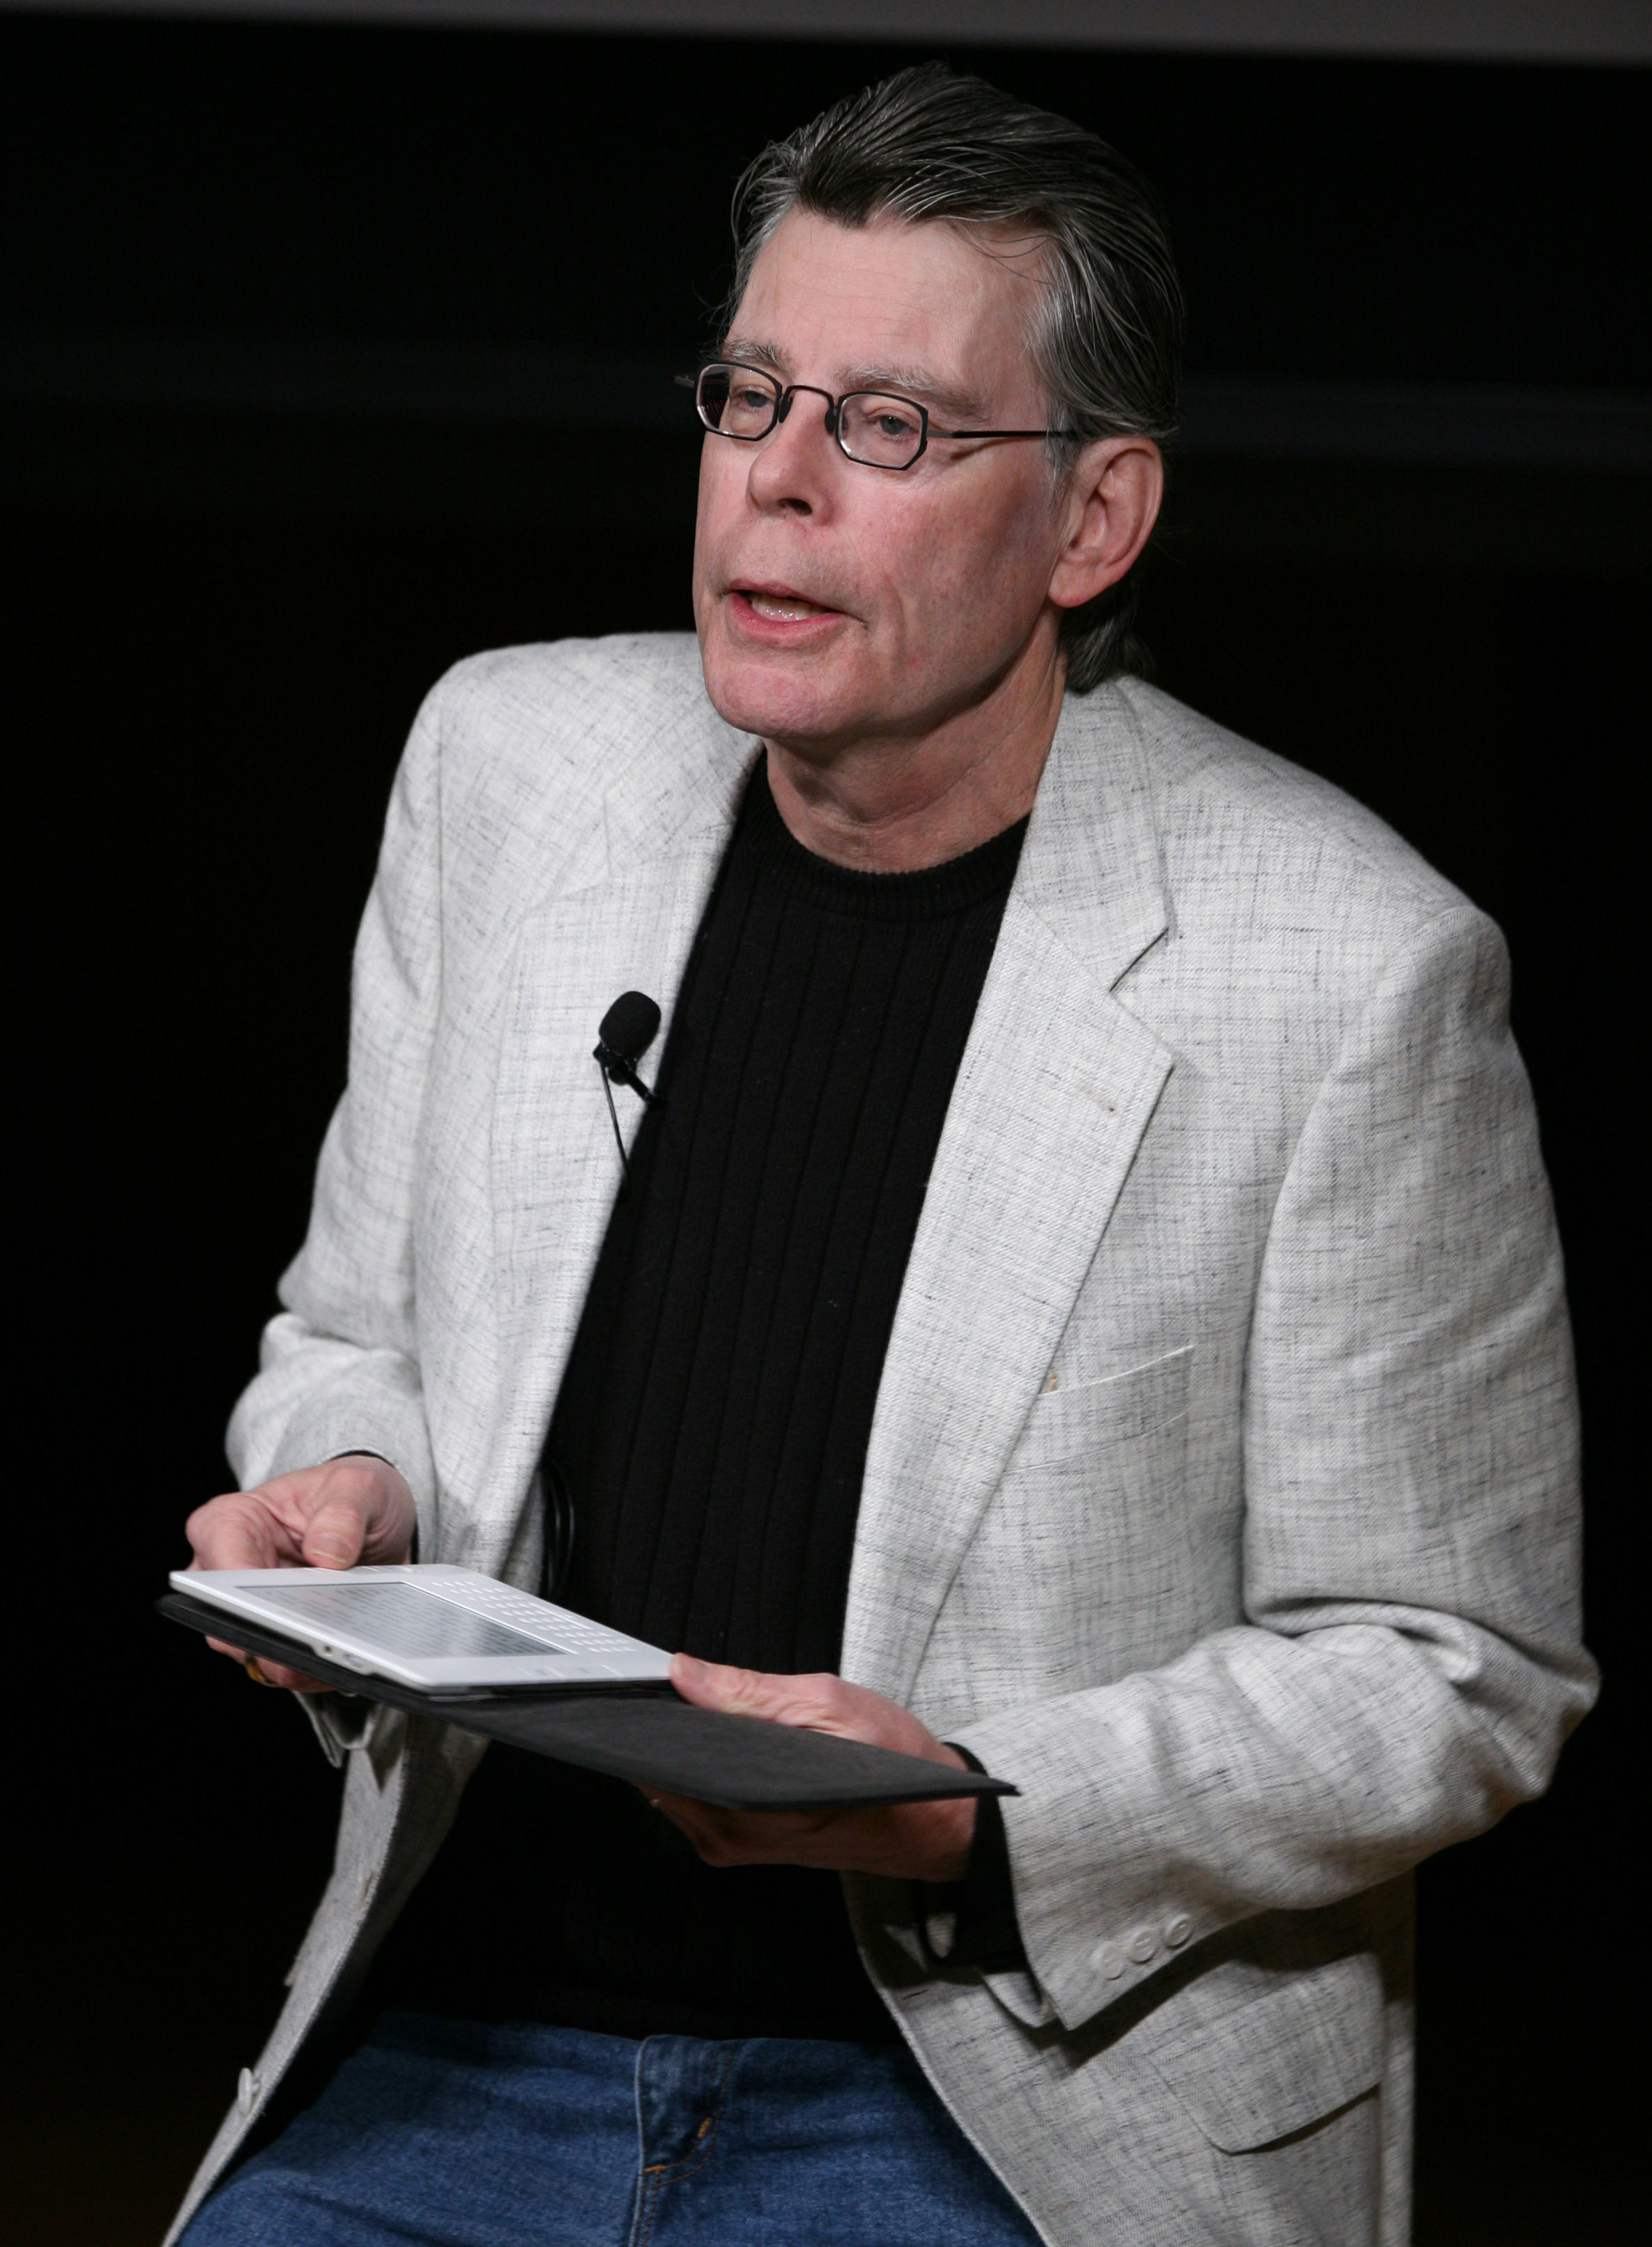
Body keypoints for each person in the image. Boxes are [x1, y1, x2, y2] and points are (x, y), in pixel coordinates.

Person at [169, 64, 1594, 2247]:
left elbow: (1453, 1664)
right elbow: (351, 1333)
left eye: (893, 426)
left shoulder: (1344, 968)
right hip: (463, 2037)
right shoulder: (507, 766)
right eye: (751, 397)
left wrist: (973, 1810)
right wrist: (348, 1492)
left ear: (1092, 520)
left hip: (991, 2100)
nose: (780, 478)